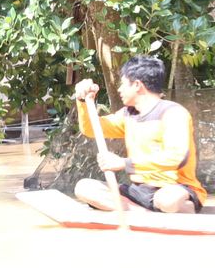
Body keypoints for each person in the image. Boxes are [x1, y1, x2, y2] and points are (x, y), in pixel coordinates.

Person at [74, 55, 206, 215]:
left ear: (137, 85)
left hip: (175, 187)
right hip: (139, 191)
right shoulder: (128, 115)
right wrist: (83, 100)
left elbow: (176, 157)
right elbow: (91, 128)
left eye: (123, 84)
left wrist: (125, 163)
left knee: (168, 200)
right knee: (84, 187)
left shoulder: (173, 113)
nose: (119, 89)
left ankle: (155, 210)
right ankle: (143, 213)